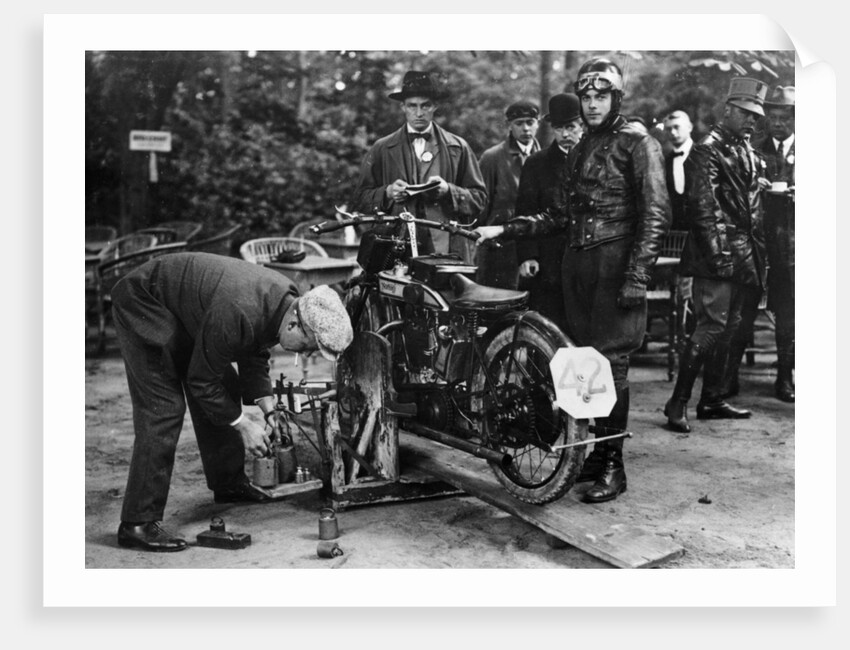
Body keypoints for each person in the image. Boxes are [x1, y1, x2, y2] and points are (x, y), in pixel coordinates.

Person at [475, 58, 671, 503]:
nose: (593, 104)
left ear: (616, 98)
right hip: (576, 270)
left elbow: (656, 215)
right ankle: (595, 459)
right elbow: (559, 215)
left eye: (602, 96)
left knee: (613, 367)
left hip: (616, 268)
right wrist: (505, 229)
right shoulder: (583, 146)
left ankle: (613, 466)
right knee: (584, 367)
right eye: (587, 96)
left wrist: (637, 276)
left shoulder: (638, 143)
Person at [111, 252, 354, 552]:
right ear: (295, 324)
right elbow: (201, 381)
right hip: (144, 302)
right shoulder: (240, 308)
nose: (306, 356)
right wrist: (242, 424)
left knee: (222, 385)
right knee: (164, 408)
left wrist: (268, 408)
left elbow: (255, 347)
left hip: (183, 310)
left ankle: (228, 484)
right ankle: (137, 523)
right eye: (308, 348)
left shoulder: (285, 300)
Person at [663, 77, 770, 433]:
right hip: (718, 255)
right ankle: (677, 402)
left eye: (756, 115)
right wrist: (721, 258)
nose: (752, 120)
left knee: (731, 328)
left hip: (744, 253)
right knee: (710, 328)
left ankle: (711, 399)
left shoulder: (743, 147)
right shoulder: (708, 148)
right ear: (727, 110)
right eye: (745, 113)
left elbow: (739, 198)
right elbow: (704, 209)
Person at [351, 70, 487, 261]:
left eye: (425, 106)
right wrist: (388, 192)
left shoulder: (457, 147)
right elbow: (359, 198)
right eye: (412, 106)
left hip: (446, 245)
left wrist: (449, 190)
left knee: (442, 290)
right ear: (402, 107)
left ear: (435, 106)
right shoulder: (382, 147)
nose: (419, 113)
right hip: (396, 244)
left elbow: (480, 199)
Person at [514, 92, 583, 329]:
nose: (565, 134)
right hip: (548, 263)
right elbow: (525, 210)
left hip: (586, 260)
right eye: (559, 127)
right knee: (547, 329)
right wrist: (527, 255)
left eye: (571, 127)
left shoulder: (596, 160)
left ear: (581, 126)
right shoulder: (536, 163)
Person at [750, 85, 795, 402]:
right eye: (774, 117)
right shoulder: (757, 149)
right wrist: (757, 183)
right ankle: (784, 378)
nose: (778, 124)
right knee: (785, 312)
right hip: (773, 246)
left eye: (785, 118)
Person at [474, 100, 541, 289]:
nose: (526, 128)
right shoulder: (492, 158)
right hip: (499, 249)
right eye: (519, 123)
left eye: (530, 122)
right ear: (509, 126)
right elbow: (480, 206)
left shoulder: (544, 157)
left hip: (533, 250)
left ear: (538, 123)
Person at [662, 109, 695, 231]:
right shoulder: (665, 161)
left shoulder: (703, 155)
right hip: (675, 232)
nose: (673, 132)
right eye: (669, 129)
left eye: (677, 127)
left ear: (689, 127)